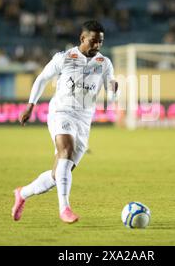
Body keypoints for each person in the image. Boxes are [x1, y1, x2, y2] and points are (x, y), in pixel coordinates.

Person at [12, 20, 118, 224]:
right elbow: (42, 79)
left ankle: (22, 193)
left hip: (84, 119)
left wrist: (115, 91)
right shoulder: (64, 58)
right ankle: (65, 209)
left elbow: (111, 90)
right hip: (61, 112)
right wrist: (30, 106)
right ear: (82, 38)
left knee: (58, 173)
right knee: (66, 151)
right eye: (94, 41)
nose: (97, 46)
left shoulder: (104, 63)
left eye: (101, 42)